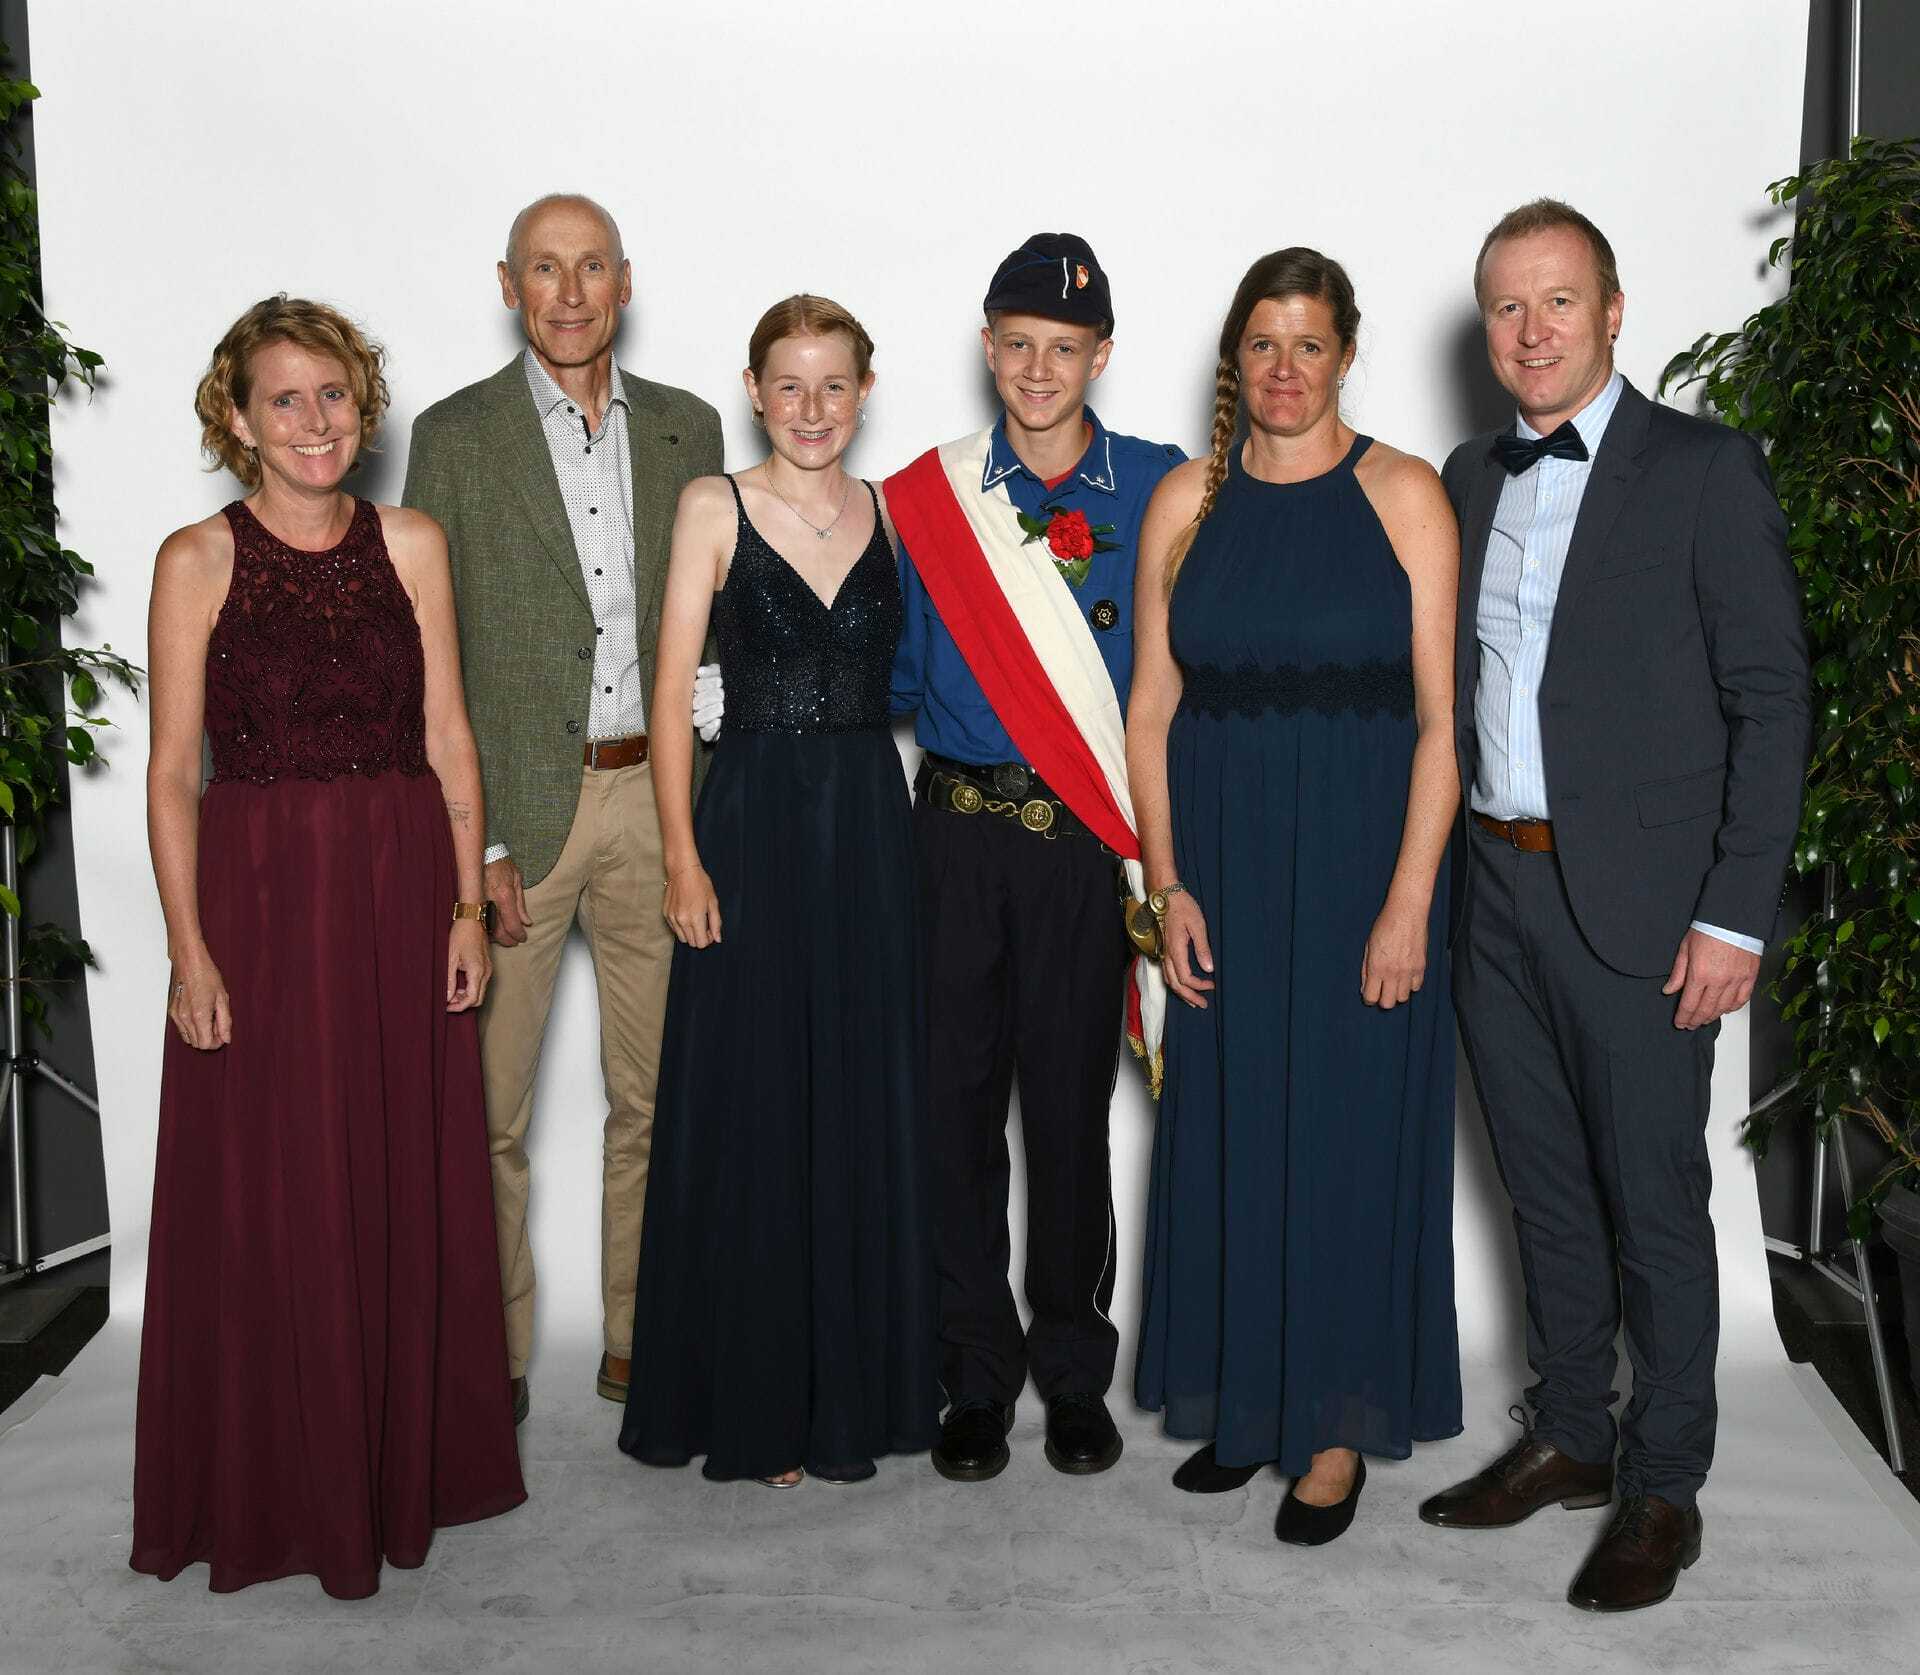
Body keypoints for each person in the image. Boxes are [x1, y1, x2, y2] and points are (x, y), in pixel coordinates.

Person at [1419, 200, 1809, 1611]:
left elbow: (1772, 699)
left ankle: (1664, 1483)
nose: (1531, 332)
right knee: (1540, 1185)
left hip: (1646, 908)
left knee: (1653, 1200)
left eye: (1559, 301)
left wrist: (1735, 915)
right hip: (1493, 889)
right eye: (1507, 307)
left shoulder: (1704, 470)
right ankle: (1573, 1430)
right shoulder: (1470, 474)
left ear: (1614, 309)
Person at [134, 296, 525, 1598]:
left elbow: (450, 735)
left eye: (336, 395)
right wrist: (190, 951)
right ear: (239, 420)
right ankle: (279, 1484)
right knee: (276, 1182)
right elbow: (172, 771)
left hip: (396, 891)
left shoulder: (412, 541)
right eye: (286, 399)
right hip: (259, 903)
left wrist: (464, 908)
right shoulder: (197, 558)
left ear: (364, 406)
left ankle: (397, 1467)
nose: (317, 421)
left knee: (390, 1169)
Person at [1126, 249, 1463, 1545]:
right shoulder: (1185, 498)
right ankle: (1250, 1401)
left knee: (1342, 1138)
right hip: (1222, 864)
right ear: (1236, 357)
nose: (1284, 368)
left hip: (1362, 868)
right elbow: (1151, 710)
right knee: (1231, 1128)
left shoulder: (1405, 493)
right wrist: (1166, 883)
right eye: (1262, 343)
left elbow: (1442, 724)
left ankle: (1329, 1426)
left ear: (1346, 355)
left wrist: (1409, 900)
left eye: (1308, 343)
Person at [402, 194, 723, 1422]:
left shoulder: (691, 427)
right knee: (488, 1110)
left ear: (625, 282)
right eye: (546, 269)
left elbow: (717, 612)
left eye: (592, 267)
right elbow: (429, 653)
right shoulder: (454, 436)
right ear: (509, 286)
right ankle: (492, 1356)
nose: (571, 293)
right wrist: (472, 840)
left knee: (657, 1095)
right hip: (518, 816)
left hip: (658, 800)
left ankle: (642, 1335)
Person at [617, 295, 939, 1484]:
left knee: (858, 1094)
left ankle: (854, 1388)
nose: (812, 409)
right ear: (754, 391)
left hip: (868, 825)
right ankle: (760, 1399)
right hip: (749, 822)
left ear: (865, 390)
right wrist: (681, 856)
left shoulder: (892, 511)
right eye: (789, 386)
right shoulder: (714, 505)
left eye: (834, 385)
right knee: (756, 1095)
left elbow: (923, 674)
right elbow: (668, 695)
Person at [885, 235, 1184, 1482]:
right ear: (988, 346)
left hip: (1079, 847)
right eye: (1018, 344)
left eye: (1064, 347)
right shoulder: (926, 497)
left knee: (1069, 1118)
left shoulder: (1163, 485)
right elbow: (890, 674)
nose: (1039, 369)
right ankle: (973, 1374)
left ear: (1101, 354)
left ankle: (1071, 1373)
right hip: (954, 836)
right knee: (951, 1115)